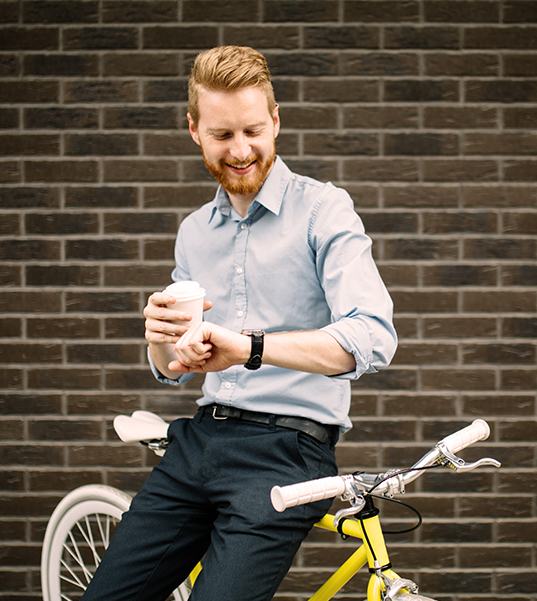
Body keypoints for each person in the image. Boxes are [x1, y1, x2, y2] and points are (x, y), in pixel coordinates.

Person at [82, 45, 397, 601]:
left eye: (253, 130)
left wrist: (248, 346)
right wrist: (160, 341)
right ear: (194, 131)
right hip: (198, 441)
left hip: (286, 453)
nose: (241, 150)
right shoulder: (193, 231)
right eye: (222, 135)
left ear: (275, 121)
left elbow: (371, 337)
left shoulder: (324, 211)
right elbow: (173, 369)